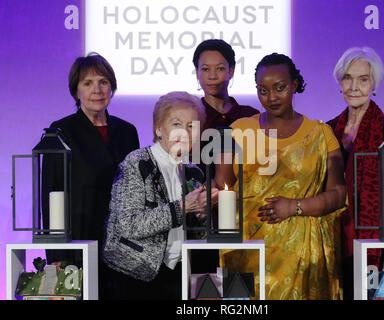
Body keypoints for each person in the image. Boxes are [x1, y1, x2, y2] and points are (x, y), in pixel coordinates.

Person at [215, 53, 346, 300]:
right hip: (246, 250)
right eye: (263, 90)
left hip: (304, 257)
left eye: (280, 88)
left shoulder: (320, 134)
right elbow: (221, 188)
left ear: (295, 85)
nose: (271, 97)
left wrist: (295, 206)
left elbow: (338, 194)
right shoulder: (239, 130)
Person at [102, 91, 219, 300]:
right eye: (176, 124)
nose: (184, 132)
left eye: (192, 126)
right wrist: (183, 207)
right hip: (135, 277)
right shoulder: (137, 163)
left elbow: (196, 233)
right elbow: (129, 225)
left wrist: (204, 213)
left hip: (180, 273)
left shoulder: (194, 172)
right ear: (158, 129)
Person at [42, 52, 140, 299]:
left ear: (112, 87)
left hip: (121, 246)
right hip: (78, 240)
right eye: (88, 83)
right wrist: (56, 256)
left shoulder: (127, 131)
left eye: (103, 82)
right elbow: (50, 192)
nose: (97, 90)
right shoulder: (61, 130)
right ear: (76, 92)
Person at [327, 46, 384, 300]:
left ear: (374, 85)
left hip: (376, 247)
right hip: (336, 241)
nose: (354, 86)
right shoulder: (328, 130)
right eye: (348, 78)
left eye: (363, 79)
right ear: (340, 83)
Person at [192, 39, 259, 273]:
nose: (212, 75)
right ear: (197, 73)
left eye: (220, 68)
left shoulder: (252, 117)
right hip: (202, 218)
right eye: (205, 69)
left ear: (231, 70)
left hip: (247, 217)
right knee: (205, 286)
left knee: (242, 287)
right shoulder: (189, 116)